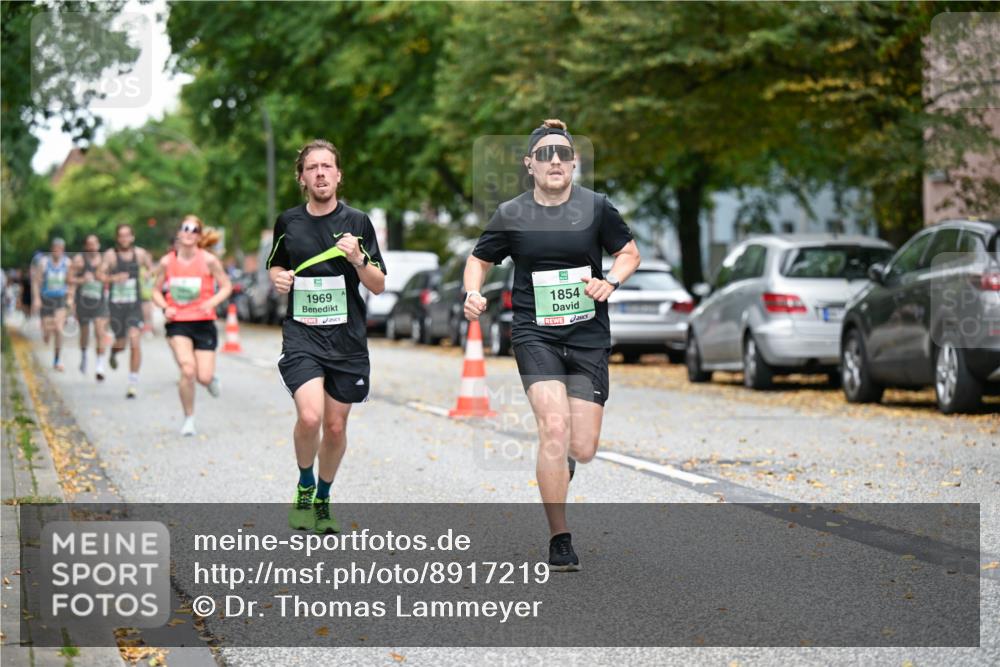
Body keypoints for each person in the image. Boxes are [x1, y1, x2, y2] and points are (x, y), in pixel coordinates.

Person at [463, 119, 641, 571]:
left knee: (581, 447)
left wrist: (611, 281)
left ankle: (565, 464)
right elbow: (478, 260)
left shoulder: (597, 208)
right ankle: (559, 537)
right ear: (530, 165)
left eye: (563, 153)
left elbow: (629, 252)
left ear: (574, 162)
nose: (555, 161)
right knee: (554, 430)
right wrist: (471, 292)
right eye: (545, 155)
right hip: (534, 333)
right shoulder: (512, 213)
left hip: (588, 337)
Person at [267, 139, 386, 534]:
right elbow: (276, 266)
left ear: (338, 175)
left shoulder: (359, 222)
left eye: (326, 167)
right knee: (310, 415)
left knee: (335, 427)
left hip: (346, 340)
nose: (320, 173)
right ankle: (304, 484)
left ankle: (322, 497)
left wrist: (357, 258)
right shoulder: (288, 222)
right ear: (301, 178)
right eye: (312, 167)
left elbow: (380, 284)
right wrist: (279, 279)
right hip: (302, 335)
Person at [151, 216, 231, 436]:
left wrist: (211, 302)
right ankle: (189, 419)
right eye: (185, 228)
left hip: (204, 322)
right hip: (178, 323)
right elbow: (155, 291)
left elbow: (226, 286)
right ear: (179, 233)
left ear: (198, 235)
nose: (189, 232)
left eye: (194, 229)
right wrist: (165, 307)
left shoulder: (208, 260)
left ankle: (211, 379)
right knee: (188, 370)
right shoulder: (167, 262)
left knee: (203, 377)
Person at [98, 224, 155, 398]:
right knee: (121, 344)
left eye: (127, 235)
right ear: (117, 238)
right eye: (121, 236)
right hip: (117, 307)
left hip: (134, 306)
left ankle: (132, 382)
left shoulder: (140, 254)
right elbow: (99, 275)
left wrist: (148, 274)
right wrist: (113, 278)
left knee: (135, 340)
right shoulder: (110, 255)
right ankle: (114, 353)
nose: (124, 239)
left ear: (132, 237)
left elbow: (153, 270)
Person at [68, 234, 110, 380]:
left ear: (98, 245)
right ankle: (84, 355)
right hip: (83, 302)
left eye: (94, 244)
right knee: (84, 334)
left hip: (100, 302)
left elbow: (110, 278)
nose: (92, 247)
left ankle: (100, 366)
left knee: (100, 332)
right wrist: (82, 279)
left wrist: (104, 278)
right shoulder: (79, 260)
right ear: (86, 246)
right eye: (89, 244)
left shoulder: (104, 261)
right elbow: (69, 279)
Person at [32, 238, 71, 371]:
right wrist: (37, 298)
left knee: (59, 329)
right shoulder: (43, 262)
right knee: (48, 331)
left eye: (60, 249)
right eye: (55, 248)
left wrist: (71, 298)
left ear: (63, 250)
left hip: (60, 299)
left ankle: (57, 359)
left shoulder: (67, 263)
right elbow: (36, 282)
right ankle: (46, 331)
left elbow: (71, 282)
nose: (57, 251)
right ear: (51, 249)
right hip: (46, 298)